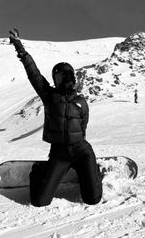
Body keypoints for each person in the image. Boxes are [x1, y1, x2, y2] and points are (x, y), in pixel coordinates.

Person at [9, 28, 102, 207]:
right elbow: (34, 74)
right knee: (39, 201)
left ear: (72, 78)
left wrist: (75, 143)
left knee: (93, 199)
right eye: (59, 76)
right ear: (55, 79)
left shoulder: (81, 102)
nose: (63, 79)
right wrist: (20, 49)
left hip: (82, 151)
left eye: (66, 76)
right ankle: (41, 170)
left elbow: (83, 126)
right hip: (60, 154)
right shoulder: (49, 96)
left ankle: (92, 171)